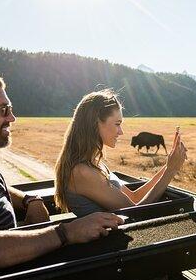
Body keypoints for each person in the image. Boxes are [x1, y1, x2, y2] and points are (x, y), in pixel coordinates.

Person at [0, 73, 124, 269]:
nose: (12, 117)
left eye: (10, 109)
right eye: (3, 110)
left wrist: (28, 199)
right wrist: (66, 233)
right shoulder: (81, 170)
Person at [54, 90, 187, 216]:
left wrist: (169, 166)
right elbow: (136, 212)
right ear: (95, 123)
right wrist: (171, 170)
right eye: (117, 124)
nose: (121, 132)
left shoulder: (95, 163)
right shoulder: (82, 171)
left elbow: (133, 198)